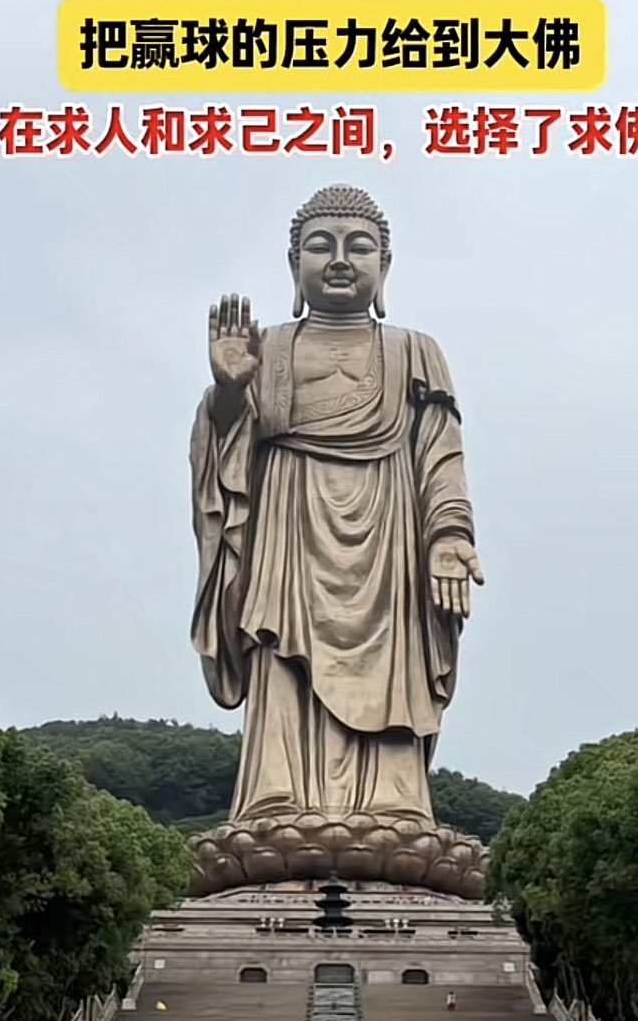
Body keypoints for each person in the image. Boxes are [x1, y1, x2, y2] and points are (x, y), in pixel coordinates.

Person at [189, 187, 485, 897]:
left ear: (387, 265)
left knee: (391, 671)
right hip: (288, 532)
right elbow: (226, 454)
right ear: (294, 264)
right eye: (321, 245)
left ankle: (394, 806)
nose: (342, 259)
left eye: (361, 246)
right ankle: (275, 801)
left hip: (389, 543)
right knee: (281, 660)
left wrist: (448, 536)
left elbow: (440, 454)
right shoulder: (269, 348)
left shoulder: (414, 351)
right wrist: (228, 393)